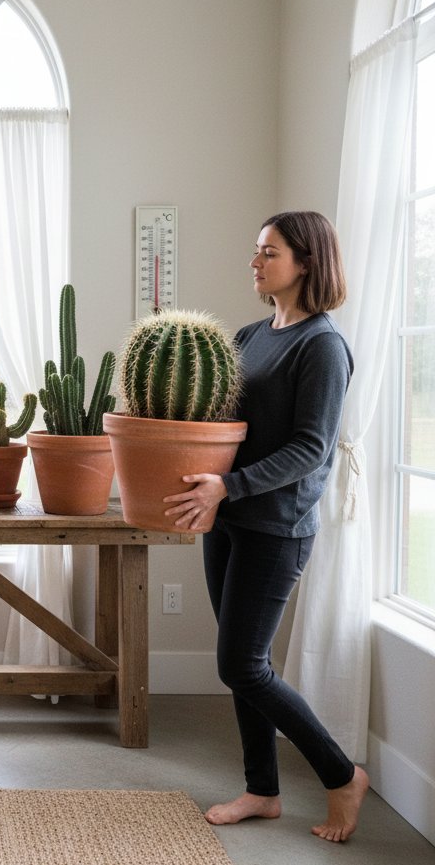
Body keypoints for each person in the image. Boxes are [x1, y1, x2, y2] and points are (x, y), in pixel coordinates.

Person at [162, 211, 369, 843]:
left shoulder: (323, 345)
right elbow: (224, 425)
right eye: (255, 251)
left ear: (307, 261)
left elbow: (313, 447)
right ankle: (262, 790)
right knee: (239, 659)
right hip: (227, 517)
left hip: (276, 525)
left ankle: (341, 775)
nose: (254, 262)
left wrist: (231, 486)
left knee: (242, 664)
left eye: (268, 253)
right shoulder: (253, 334)